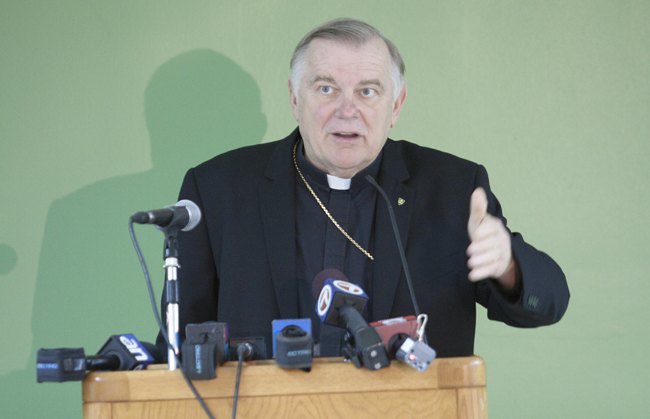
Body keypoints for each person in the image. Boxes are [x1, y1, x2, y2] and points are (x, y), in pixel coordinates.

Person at [162, 18, 569, 359]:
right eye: (326, 88)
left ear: (396, 105)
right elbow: (180, 340)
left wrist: (508, 266)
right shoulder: (218, 190)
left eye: (367, 91)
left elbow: (550, 301)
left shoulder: (452, 188)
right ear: (293, 98)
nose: (347, 109)